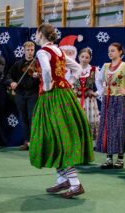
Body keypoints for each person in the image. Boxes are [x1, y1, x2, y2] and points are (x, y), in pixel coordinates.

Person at [29, 23, 94, 199]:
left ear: (41, 34)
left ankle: (75, 183)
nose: (35, 35)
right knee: (57, 136)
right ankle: (62, 180)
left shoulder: (42, 52)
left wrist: (49, 85)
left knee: (54, 137)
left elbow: (48, 70)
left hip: (52, 98)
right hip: (65, 95)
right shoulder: (59, 51)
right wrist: (69, 83)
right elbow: (78, 69)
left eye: (36, 32)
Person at [95, 43, 125, 169]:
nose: (110, 53)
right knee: (108, 127)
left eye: (113, 50)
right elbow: (98, 79)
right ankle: (109, 159)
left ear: (120, 52)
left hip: (120, 100)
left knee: (119, 127)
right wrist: (101, 89)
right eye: (109, 51)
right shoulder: (106, 66)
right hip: (108, 100)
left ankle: (120, 159)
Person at [5, 41, 40, 150]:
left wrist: (38, 76)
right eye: (28, 50)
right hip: (20, 94)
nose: (30, 52)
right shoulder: (18, 64)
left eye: (32, 50)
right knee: (23, 118)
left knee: (31, 117)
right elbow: (8, 76)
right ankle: (27, 141)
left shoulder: (38, 63)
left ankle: (34, 142)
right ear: (24, 51)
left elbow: (46, 77)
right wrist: (12, 82)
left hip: (33, 94)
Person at [71, 48, 100, 147]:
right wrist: (72, 90)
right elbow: (67, 83)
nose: (84, 59)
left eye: (87, 57)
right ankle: (77, 141)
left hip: (89, 100)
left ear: (90, 59)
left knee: (90, 120)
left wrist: (96, 93)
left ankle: (91, 143)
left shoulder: (93, 70)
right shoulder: (73, 68)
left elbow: (101, 84)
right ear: (78, 57)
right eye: (82, 57)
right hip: (76, 100)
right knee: (77, 119)